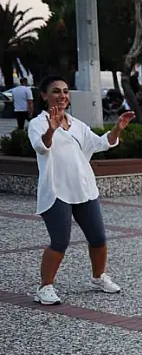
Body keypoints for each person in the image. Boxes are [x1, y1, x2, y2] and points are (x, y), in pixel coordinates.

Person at [27, 76, 132, 305]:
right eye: (56, 91)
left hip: (84, 189)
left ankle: (98, 277)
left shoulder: (77, 124)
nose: (62, 95)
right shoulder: (38, 123)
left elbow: (101, 143)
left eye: (65, 91)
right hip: (56, 191)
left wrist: (117, 128)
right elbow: (41, 147)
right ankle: (44, 288)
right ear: (44, 95)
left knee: (98, 238)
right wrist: (52, 130)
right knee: (59, 241)